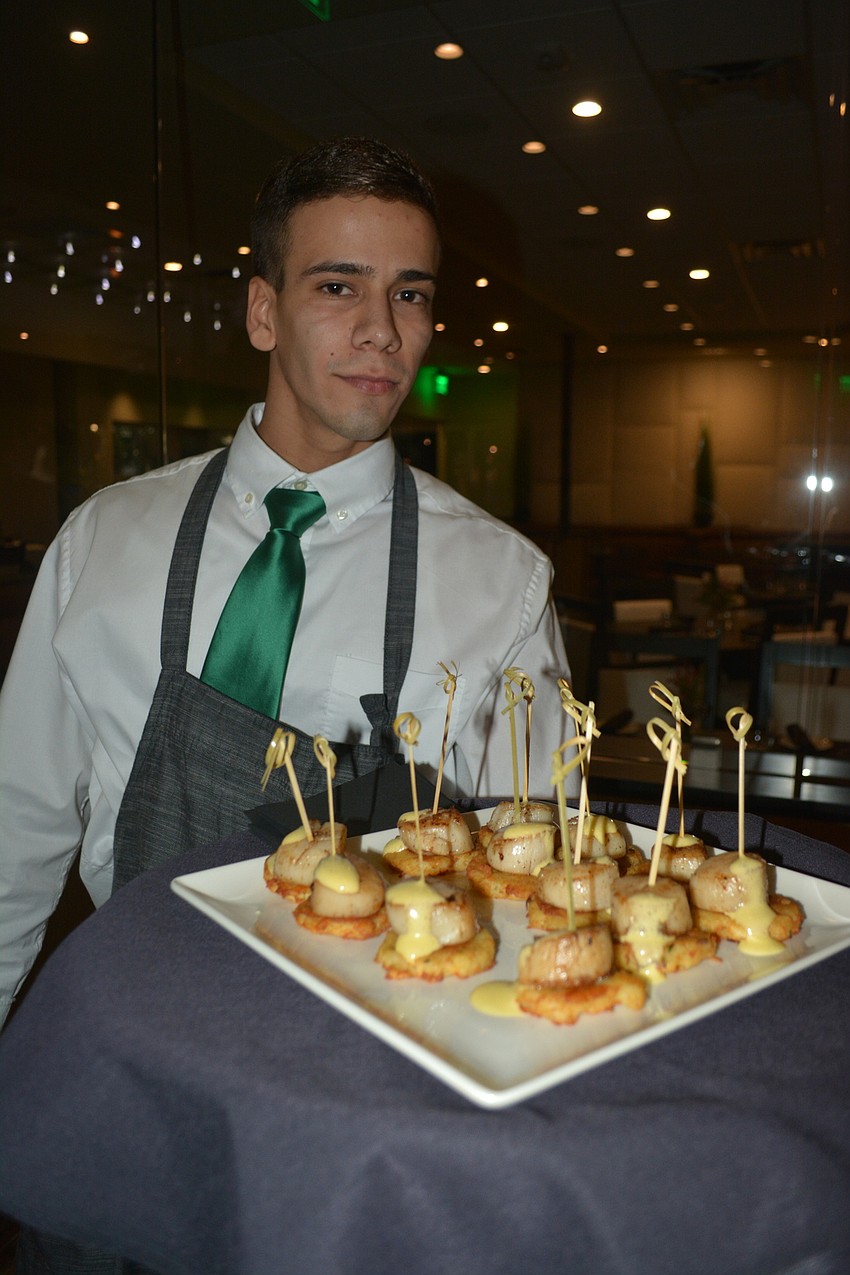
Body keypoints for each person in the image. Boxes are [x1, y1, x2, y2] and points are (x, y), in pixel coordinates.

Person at [0, 137, 570, 1032]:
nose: (381, 326)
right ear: (263, 312)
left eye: (410, 293)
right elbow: (12, 840)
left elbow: (538, 879)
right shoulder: (101, 541)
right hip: (137, 1015)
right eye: (338, 286)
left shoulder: (503, 582)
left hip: (381, 1036)